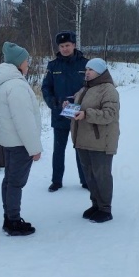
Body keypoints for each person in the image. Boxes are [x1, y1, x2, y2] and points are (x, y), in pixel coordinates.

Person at [0, 41, 43, 236]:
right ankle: (13, 221)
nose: (28, 64)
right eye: (26, 61)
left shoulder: (4, 83)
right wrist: (34, 148)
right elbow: (24, 121)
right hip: (20, 143)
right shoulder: (16, 86)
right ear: (18, 63)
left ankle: (9, 217)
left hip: (10, 142)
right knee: (15, 182)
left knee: (10, 180)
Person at [70, 57, 120, 223]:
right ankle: (95, 205)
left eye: (90, 69)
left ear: (100, 71)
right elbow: (79, 108)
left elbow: (110, 114)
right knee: (90, 175)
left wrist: (87, 114)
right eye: (86, 69)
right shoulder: (85, 89)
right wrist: (69, 108)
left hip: (101, 141)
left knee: (101, 175)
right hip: (83, 140)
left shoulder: (108, 89)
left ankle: (105, 209)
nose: (87, 72)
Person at [41, 30, 89, 192]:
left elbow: (93, 87)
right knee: (59, 150)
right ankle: (56, 181)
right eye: (62, 46)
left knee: (81, 148)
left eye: (67, 45)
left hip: (80, 114)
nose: (65, 49)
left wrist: (83, 98)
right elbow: (46, 88)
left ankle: (85, 181)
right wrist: (55, 103)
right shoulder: (53, 66)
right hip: (60, 114)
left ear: (74, 45)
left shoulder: (85, 64)